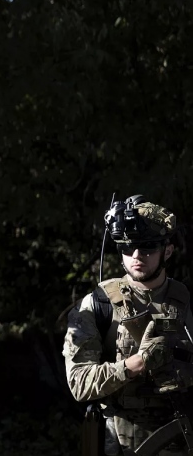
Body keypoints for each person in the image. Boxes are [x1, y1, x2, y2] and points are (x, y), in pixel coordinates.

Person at [64, 195, 193, 455]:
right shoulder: (97, 304)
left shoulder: (188, 303)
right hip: (118, 444)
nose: (136, 256)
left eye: (146, 248)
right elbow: (79, 383)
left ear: (167, 251)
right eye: (127, 248)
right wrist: (136, 364)